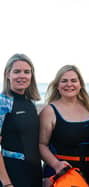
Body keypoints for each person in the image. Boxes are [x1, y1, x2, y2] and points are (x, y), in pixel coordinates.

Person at [39, 65, 89, 187]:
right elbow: (41, 145)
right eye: (64, 81)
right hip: (60, 175)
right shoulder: (49, 111)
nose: (69, 84)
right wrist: (56, 165)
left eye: (74, 80)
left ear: (80, 85)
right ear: (57, 86)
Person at [0, 54, 42, 187]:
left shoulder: (31, 103)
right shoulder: (2, 102)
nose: (22, 76)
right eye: (17, 71)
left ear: (31, 76)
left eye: (27, 72)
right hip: (13, 175)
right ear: (8, 74)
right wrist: (6, 183)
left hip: (35, 174)